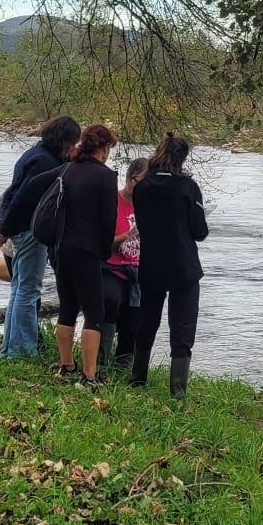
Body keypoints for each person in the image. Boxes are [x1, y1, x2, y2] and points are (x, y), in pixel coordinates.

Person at [0, 115, 80, 360]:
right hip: (30, 230)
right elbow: (23, 198)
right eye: (73, 142)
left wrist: (4, 227)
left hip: (17, 228)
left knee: (19, 288)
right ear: (65, 140)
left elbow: (11, 193)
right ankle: (24, 351)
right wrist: (5, 228)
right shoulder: (44, 162)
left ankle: (9, 348)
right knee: (29, 291)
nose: (74, 148)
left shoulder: (33, 154)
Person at [130, 132, 208, 398]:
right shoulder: (188, 188)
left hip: (151, 264)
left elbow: (140, 224)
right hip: (183, 267)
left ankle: (137, 378)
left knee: (147, 322)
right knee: (183, 329)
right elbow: (200, 231)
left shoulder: (142, 187)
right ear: (183, 157)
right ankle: (178, 392)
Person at [52, 123, 121, 384]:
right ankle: (89, 374)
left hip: (62, 249)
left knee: (67, 308)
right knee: (95, 313)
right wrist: (104, 252)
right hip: (87, 250)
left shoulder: (69, 169)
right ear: (103, 148)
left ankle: (65, 363)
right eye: (109, 148)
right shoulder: (106, 176)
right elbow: (108, 220)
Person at [102, 156, 148, 373]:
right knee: (111, 302)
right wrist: (126, 235)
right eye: (141, 181)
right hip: (113, 266)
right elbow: (102, 242)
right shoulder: (112, 201)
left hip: (139, 271)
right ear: (130, 178)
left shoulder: (149, 205)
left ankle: (123, 366)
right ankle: (101, 359)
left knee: (135, 317)